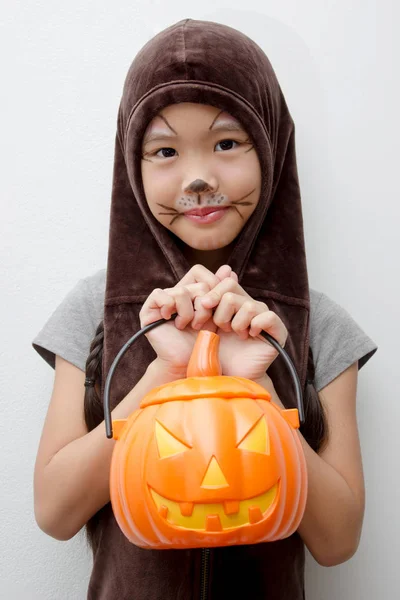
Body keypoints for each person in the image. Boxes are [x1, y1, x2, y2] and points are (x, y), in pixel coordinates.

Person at [32, 18, 378, 600]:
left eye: (226, 143)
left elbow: (338, 540)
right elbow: (55, 512)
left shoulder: (323, 327)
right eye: (164, 150)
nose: (197, 178)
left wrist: (259, 387)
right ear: (131, 165)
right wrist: (160, 375)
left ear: (271, 147)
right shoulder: (92, 311)